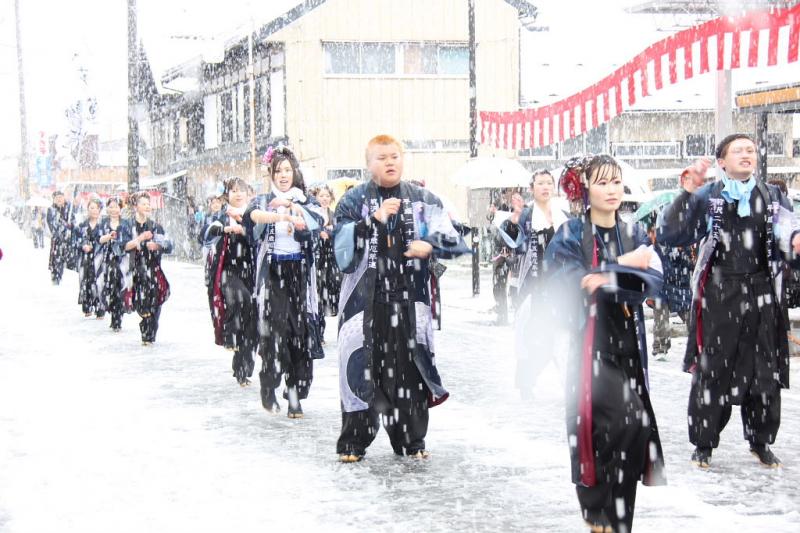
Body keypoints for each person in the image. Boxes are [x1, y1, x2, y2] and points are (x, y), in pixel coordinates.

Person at [658, 134, 800, 469]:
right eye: (738, 150)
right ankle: (703, 443)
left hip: (763, 292)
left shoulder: (774, 196)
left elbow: (788, 233)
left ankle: (761, 441)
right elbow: (671, 233)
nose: (747, 155)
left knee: (764, 369)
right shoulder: (709, 196)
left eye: (751, 149)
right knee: (714, 368)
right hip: (721, 292)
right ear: (721, 162)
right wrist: (688, 192)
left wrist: (794, 240)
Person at [546, 155, 666, 533]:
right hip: (590, 345)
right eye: (602, 183)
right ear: (585, 190)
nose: (612, 189)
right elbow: (571, 283)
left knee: (634, 429)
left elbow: (652, 282)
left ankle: (616, 518)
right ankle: (598, 508)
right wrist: (617, 267)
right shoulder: (569, 234)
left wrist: (627, 272)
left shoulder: (630, 232)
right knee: (615, 421)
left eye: (616, 181)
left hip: (628, 342)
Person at [333, 134, 468, 462]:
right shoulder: (353, 202)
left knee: (408, 375)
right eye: (381, 157)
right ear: (368, 165)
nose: (390, 162)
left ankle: (411, 440)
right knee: (361, 372)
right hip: (365, 306)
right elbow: (340, 252)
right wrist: (370, 222)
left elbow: (456, 240)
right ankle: (353, 442)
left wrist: (431, 245)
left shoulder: (423, 199)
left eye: (395, 156)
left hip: (410, 304)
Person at [236, 147, 323, 418]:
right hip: (273, 275)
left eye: (287, 170)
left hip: (300, 274)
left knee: (300, 336)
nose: (283, 175)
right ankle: (269, 385)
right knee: (275, 335)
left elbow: (320, 220)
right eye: (278, 171)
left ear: (295, 172)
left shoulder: (306, 201)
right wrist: (281, 214)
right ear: (271, 174)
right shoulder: (264, 200)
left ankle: (295, 394)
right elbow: (252, 217)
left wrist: (296, 209)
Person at [504, 169, 570, 399]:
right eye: (540, 183)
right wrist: (515, 218)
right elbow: (510, 241)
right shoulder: (525, 215)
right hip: (533, 283)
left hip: (559, 285)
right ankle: (526, 383)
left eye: (549, 183)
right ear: (532, 188)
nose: (545, 187)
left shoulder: (563, 216)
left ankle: (570, 383)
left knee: (562, 335)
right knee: (531, 335)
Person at [204, 177, 258, 386]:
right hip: (228, 270)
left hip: (251, 270)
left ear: (248, 193)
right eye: (233, 191)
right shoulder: (222, 215)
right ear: (227, 195)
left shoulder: (253, 213)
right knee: (239, 298)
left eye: (241, 190)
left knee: (252, 318)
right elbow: (207, 232)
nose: (238, 194)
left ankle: (242, 368)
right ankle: (231, 335)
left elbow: (259, 236)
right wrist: (226, 229)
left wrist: (245, 228)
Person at [124, 192, 173, 345]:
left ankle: (150, 332)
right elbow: (123, 246)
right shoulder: (127, 226)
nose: (147, 206)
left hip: (153, 268)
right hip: (135, 268)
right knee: (142, 302)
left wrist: (157, 245)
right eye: (143, 203)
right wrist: (140, 239)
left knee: (156, 301)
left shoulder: (155, 227)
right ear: (135, 206)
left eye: (148, 203)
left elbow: (168, 246)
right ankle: (146, 329)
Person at [97, 197, 130, 332]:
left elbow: (128, 240)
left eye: (116, 206)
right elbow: (99, 239)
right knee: (110, 288)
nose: (113, 209)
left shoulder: (125, 223)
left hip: (122, 260)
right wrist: (109, 236)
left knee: (120, 288)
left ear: (120, 208)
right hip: (108, 259)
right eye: (111, 207)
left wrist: (120, 241)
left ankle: (118, 318)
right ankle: (113, 313)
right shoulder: (104, 223)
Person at [492, 192, 524, 325]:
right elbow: (495, 230)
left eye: (516, 197)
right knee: (498, 284)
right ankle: (501, 315)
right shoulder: (501, 208)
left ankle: (519, 315)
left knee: (516, 285)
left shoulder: (525, 212)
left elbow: (520, 234)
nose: (513, 198)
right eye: (510, 195)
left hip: (515, 254)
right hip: (501, 254)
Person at [314, 185, 341, 340]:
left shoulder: (334, 214)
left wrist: (329, 232)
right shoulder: (313, 214)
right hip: (317, 259)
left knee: (330, 290)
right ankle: (319, 331)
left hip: (330, 259)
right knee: (317, 294)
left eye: (326, 196)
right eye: (321, 196)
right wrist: (319, 232)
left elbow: (339, 232)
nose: (324, 199)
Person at [76, 198, 105, 318]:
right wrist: (83, 245)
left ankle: (100, 307)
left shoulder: (104, 225)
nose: (93, 210)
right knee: (86, 281)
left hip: (99, 257)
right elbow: (76, 240)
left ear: (100, 210)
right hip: (85, 257)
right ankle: (87, 305)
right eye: (91, 208)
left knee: (99, 281)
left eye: (96, 208)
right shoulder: (82, 225)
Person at [46, 191, 74, 285]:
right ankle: (55, 275)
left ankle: (62, 272)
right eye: (57, 197)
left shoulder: (69, 209)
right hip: (57, 239)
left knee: (64, 257)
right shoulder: (51, 210)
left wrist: (70, 226)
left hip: (67, 239)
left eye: (60, 197)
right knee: (55, 257)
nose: (59, 199)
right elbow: (50, 223)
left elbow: (73, 222)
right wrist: (59, 231)